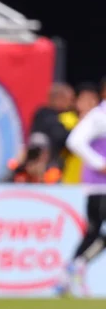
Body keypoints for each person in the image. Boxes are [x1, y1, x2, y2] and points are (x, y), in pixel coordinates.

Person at [57, 99, 106, 296]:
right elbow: (74, 141)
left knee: (93, 233)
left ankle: (72, 269)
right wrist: (99, 163)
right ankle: (75, 268)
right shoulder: (99, 116)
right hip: (99, 186)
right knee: (94, 231)